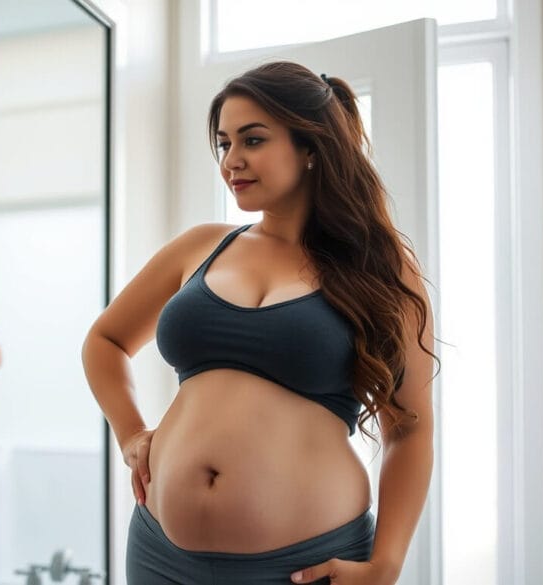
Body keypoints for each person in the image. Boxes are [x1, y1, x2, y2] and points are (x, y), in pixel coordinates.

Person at [81, 61, 439, 585]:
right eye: (224, 144)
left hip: (302, 565)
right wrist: (131, 431)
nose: (231, 161)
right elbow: (105, 340)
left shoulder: (379, 266)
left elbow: (410, 430)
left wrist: (386, 564)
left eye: (252, 140)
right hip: (159, 552)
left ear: (311, 148)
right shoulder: (203, 245)